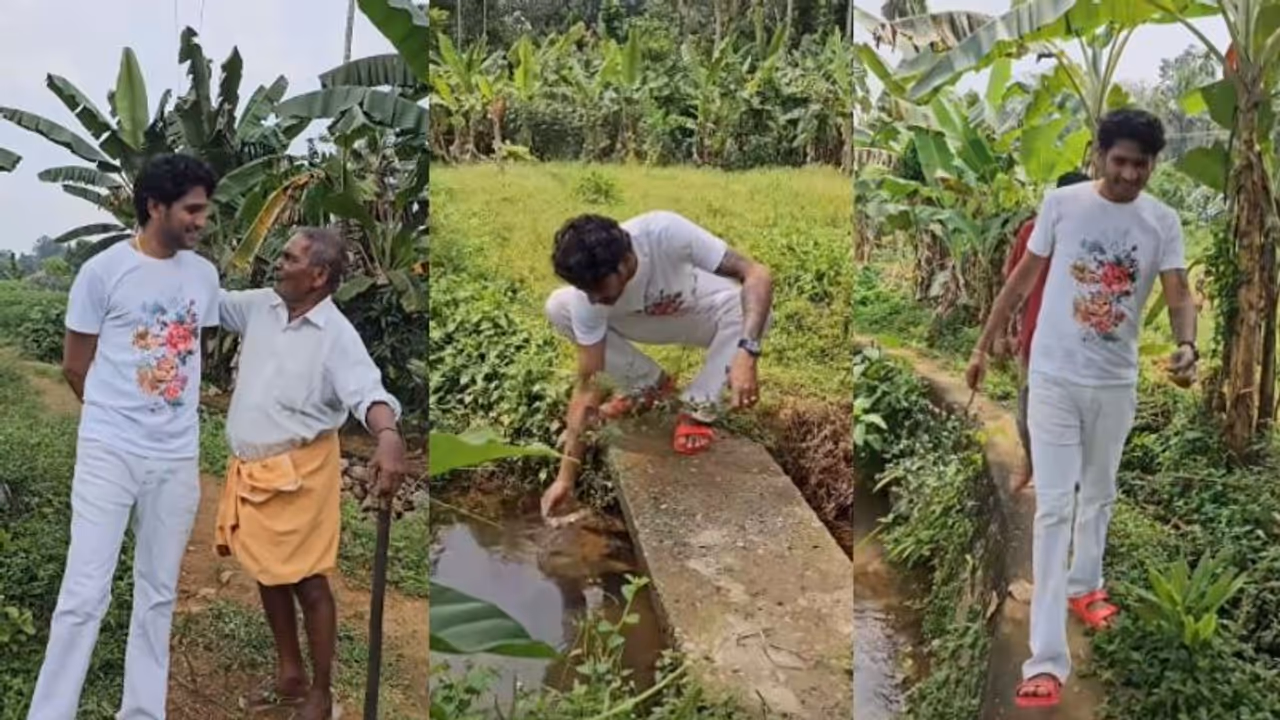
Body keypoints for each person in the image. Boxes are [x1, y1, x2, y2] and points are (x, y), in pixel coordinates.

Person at [965, 109, 1198, 709]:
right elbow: (1022, 280)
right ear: (1099, 156)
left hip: (1115, 382)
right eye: (1119, 162)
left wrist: (1187, 344)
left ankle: (1085, 584)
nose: (1128, 175)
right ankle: (1045, 658)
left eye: (1140, 165)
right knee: (1055, 508)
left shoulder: (1162, 221)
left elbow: (1177, 291)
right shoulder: (1061, 204)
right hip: (1053, 377)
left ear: (1153, 165)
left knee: (1100, 492)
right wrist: (982, 342)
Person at [27, 154, 222, 719]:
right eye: (191, 209)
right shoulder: (103, 272)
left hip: (177, 458)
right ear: (154, 207)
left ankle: (141, 712)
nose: (200, 221)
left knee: (158, 593)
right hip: (109, 453)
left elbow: (189, 355)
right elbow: (74, 365)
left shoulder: (203, 276)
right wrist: (119, 417)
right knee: (84, 593)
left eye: (204, 210)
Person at [213, 227, 407, 719]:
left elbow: (369, 393)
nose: (278, 263)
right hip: (253, 474)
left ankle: (321, 691)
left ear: (318, 275)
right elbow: (209, 303)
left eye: (290, 257)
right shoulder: (261, 306)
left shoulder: (336, 336)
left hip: (300, 474)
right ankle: (289, 675)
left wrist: (387, 436)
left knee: (307, 582)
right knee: (267, 572)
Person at [539, 211, 773, 520]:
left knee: (756, 312)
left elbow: (757, 273)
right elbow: (589, 383)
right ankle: (649, 386)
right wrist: (564, 479)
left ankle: (697, 408)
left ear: (624, 262)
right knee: (559, 307)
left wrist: (747, 352)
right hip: (638, 321)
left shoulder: (664, 232)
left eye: (598, 287)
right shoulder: (590, 298)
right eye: (586, 290)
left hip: (695, 311)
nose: (594, 298)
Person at [1001, 170, 1092, 490]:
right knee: (1027, 416)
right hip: (1035, 341)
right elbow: (1013, 287)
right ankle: (1031, 461)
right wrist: (1006, 332)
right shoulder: (1032, 233)